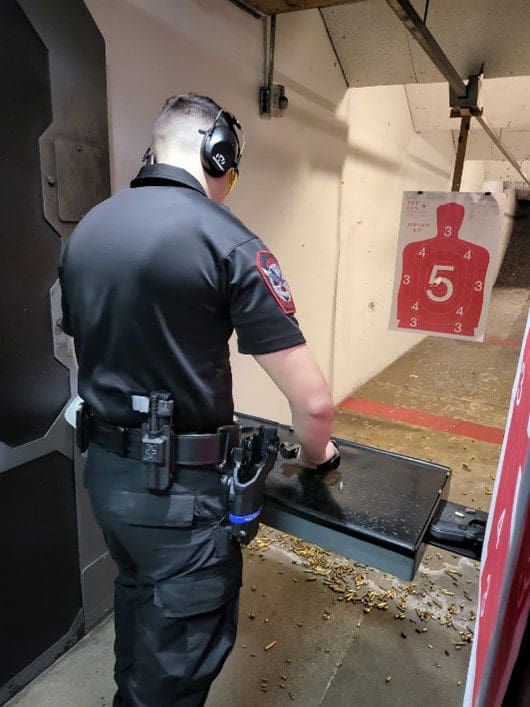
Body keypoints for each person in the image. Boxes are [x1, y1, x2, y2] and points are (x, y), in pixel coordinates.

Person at [58, 93, 337, 707]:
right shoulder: (228, 240)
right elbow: (313, 404)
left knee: (138, 603)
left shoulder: (88, 231)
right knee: (178, 664)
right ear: (218, 154)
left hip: (106, 478)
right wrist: (319, 459)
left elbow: (92, 350)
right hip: (179, 499)